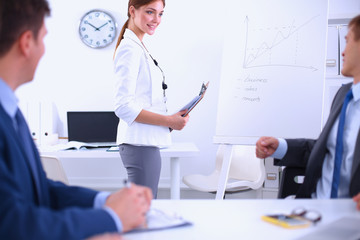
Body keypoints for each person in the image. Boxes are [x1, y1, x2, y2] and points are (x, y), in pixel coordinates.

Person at [0, 0, 152, 239]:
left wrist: (105, 201)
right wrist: (111, 217)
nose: (44, 50)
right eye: (44, 38)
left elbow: (41, 190)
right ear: (27, 43)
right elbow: (13, 223)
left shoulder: (11, 112)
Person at [256, 15, 360, 203]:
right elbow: (326, 150)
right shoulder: (344, 95)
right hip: (315, 208)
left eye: (347, 42)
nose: (343, 52)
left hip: (351, 220)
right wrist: (280, 147)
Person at [113, 0, 189, 198]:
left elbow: (143, 101)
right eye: (150, 12)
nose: (156, 20)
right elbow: (123, 106)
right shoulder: (129, 49)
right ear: (132, 10)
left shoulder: (138, 47)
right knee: (144, 211)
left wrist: (171, 119)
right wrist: (168, 121)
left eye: (161, 14)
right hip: (139, 144)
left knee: (146, 209)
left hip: (145, 143)